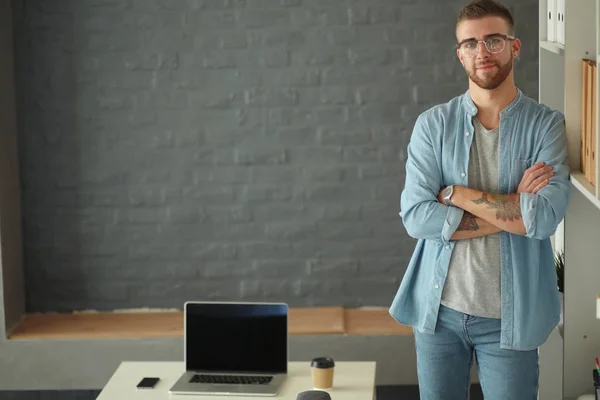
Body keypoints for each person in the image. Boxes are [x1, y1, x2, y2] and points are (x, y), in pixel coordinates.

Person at [388, 0, 571, 399]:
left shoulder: (546, 125)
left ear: (515, 46)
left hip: (511, 320)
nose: (481, 52)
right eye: (469, 43)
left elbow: (542, 221)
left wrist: (458, 194)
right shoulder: (433, 125)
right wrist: (513, 209)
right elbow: (417, 218)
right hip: (438, 313)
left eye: (493, 40)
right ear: (459, 54)